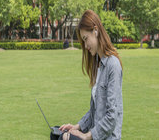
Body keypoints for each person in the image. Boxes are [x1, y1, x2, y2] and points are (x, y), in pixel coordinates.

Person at [52, 10, 123, 140]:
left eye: (86, 39)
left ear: (95, 31)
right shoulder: (98, 65)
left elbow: (112, 117)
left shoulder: (113, 65)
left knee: (64, 138)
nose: (85, 46)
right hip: (95, 135)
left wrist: (86, 136)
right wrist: (77, 127)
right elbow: (94, 112)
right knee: (56, 133)